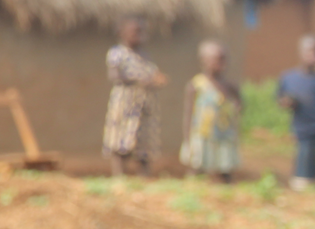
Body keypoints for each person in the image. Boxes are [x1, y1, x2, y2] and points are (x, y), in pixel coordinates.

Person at [102, 16, 168, 176]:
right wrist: (139, 80)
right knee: (121, 139)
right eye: (135, 31)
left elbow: (151, 75)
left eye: (142, 31)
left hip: (145, 104)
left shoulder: (144, 55)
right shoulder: (117, 53)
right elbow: (114, 76)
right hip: (125, 103)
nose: (139, 35)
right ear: (122, 33)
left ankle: (145, 176)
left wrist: (156, 80)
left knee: (144, 141)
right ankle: (119, 175)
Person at [180, 40, 241, 183]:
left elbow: (239, 103)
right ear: (204, 61)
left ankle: (227, 194)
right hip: (202, 135)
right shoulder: (196, 85)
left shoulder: (229, 86)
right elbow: (188, 114)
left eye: (224, 59)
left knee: (225, 168)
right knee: (197, 166)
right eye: (217, 59)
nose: (221, 63)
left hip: (224, 135)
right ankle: (190, 191)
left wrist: (236, 107)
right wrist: (187, 140)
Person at [278, 34, 315, 191]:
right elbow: (281, 100)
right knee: (303, 167)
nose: (313, 55)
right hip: (303, 129)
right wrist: (288, 102)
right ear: (301, 52)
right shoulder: (289, 78)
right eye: (310, 51)